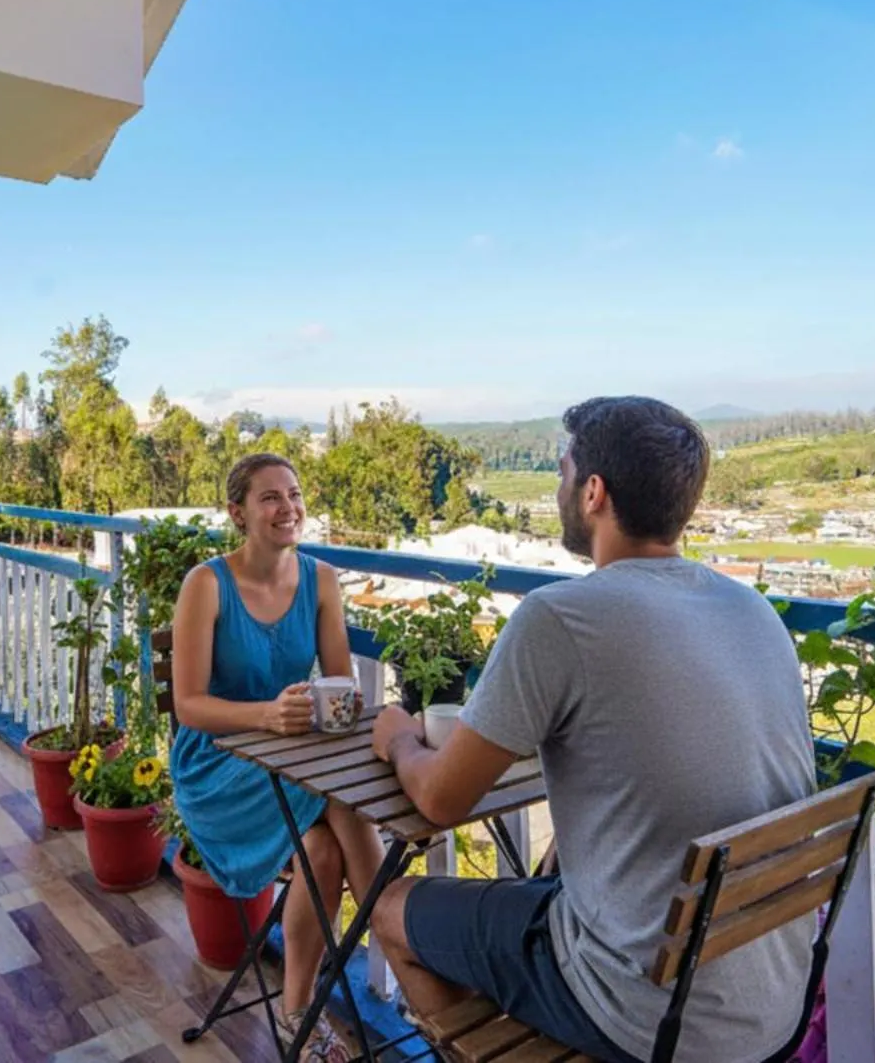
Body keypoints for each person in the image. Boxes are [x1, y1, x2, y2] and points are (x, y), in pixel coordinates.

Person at [368, 397, 818, 1063]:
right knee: (539, 890)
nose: (557, 489)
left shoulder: (559, 617)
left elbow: (440, 802)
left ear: (594, 492)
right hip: (778, 1007)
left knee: (390, 908)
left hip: (650, 1021)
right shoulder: (750, 608)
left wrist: (398, 738)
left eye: (561, 472)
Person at [170, 453, 388, 1062]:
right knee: (345, 805)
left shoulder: (319, 580)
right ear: (238, 512)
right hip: (216, 764)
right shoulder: (206, 584)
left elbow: (340, 687)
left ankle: (297, 1012)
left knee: (321, 850)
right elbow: (188, 706)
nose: (287, 507)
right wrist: (266, 714)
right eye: (270, 497)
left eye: (293, 494)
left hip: (291, 757)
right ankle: (405, 945)